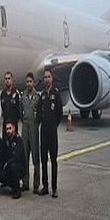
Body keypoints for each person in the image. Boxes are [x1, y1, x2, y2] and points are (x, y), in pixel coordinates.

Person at [39, 68, 63, 198]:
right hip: (43, 132)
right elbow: (39, 113)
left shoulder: (56, 94)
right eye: (45, 77)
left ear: (52, 78)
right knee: (43, 160)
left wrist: (54, 125)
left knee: (53, 160)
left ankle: (54, 188)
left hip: (52, 132)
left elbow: (60, 113)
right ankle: (45, 186)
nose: (47, 79)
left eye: (48, 77)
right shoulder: (42, 95)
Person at [21, 72, 40, 193]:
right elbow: (20, 112)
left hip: (34, 128)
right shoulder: (22, 96)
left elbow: (40, 114)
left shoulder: (38, 97)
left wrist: (36, 123)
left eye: (30, 82)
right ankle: (25, 182)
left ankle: (36, 184)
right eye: (27, 82)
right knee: (24, 156)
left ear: (33, 82)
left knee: (35, 157)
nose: (28, 84)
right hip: (25, 129)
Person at [1, 120, 26, 199]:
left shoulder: (18, 140)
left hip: (20, 168)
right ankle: (13, 186)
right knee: (1, 175)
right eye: (7, 129)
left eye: (10, 128)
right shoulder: (7, 140)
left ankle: (17, 190)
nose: (8, 131)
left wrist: (7, 163)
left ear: (14, 128)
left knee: (13, 166)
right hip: (10, 165)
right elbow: (3, 154)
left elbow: (16, 157)